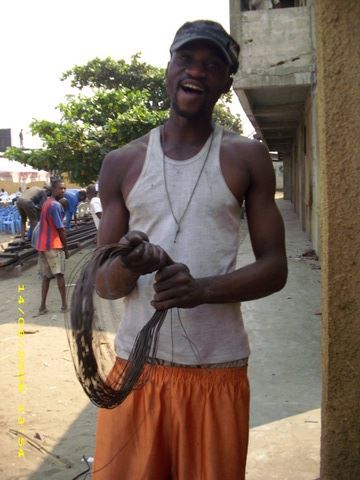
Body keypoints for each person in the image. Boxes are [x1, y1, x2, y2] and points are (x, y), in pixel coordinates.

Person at [92, 20, 287, 480]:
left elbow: (275, 267)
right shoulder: (122, 162)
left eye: (211, 65)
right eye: (186, 59)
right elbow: (104, 284)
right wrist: (128, 262)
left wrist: (201, 289)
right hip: (136, 370)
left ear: (226, 82)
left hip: (216, 369)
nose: (195, 71)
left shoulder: (246, 157)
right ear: (169, 68)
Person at [36, 178, 69, 315]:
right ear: (53, 189)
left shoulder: (46, 203)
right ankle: (64, 306)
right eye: (60, 188)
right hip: (53, 245)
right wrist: (66, 249)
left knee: (46, 276)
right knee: (59, 275)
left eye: (64, 188)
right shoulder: (55, 205)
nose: (63, 190)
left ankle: (42, 306)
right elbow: (60, 229)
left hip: (42, 245)